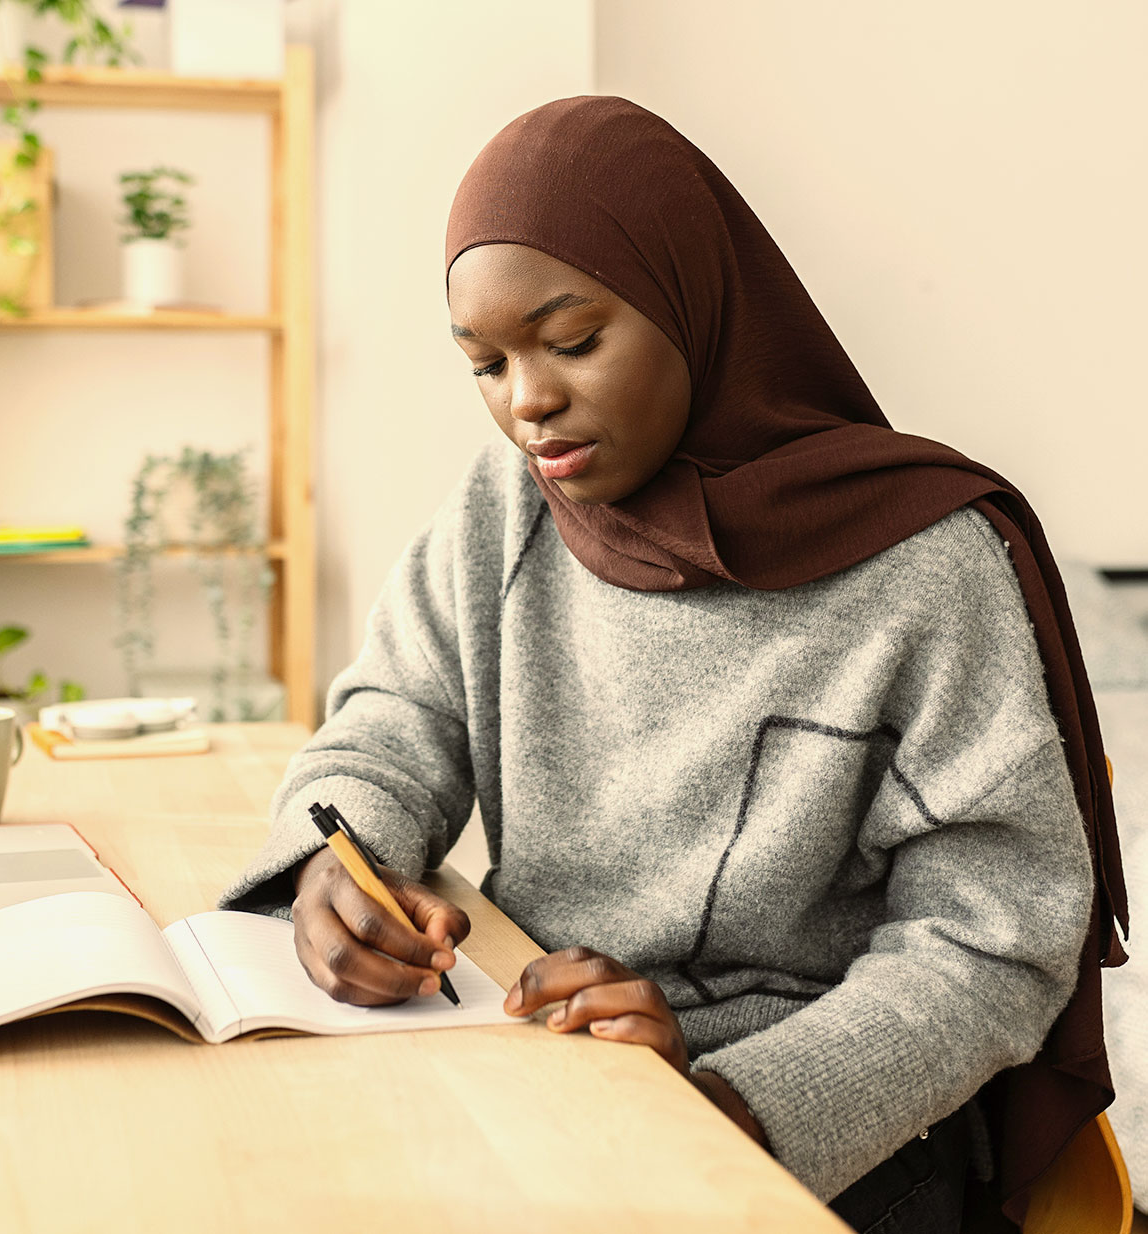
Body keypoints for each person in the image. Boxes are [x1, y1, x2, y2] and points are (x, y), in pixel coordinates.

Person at [219, 97, 1126, 1232]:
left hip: (815, 1132)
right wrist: (336, 862)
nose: (527, 403)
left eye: (572, 340)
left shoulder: (920, 568)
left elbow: (996, 940)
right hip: (549, 1066)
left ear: (694, 301)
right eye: (485, 364)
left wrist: (726, 1097)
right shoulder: (509, 509)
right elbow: (397, 710)